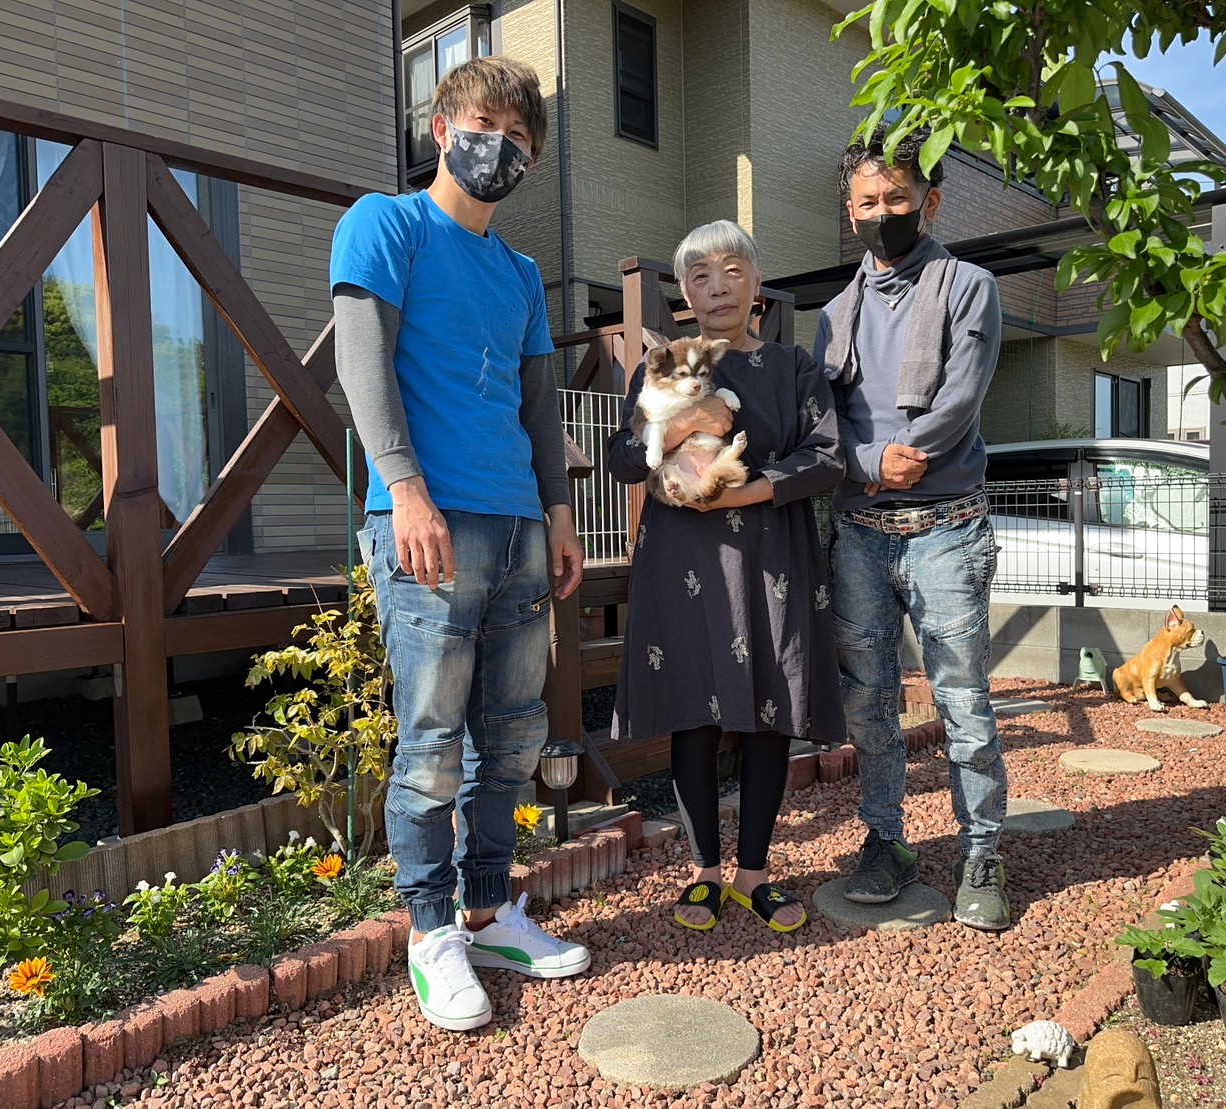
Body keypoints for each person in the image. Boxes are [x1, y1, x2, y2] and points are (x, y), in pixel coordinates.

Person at [330, 56, 590, 1033]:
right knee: (433, 739)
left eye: (520, 138)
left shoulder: (520, 274)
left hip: (518, 525)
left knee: (513, 734)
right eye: (485, 126)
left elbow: (538, 405)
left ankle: (487, 911)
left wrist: (558, 514)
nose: (500, 147)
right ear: (442, 128)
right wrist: (404, 488)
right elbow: (361, 360)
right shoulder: (385, 224)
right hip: (428, 523)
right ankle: (430, 929)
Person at [608, 220, 845, 935]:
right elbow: (624, 458)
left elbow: (826, 456)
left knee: (770, 710)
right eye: (700, 276)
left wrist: (745, 493)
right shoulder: (659, 366)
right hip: (681, 558)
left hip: (771, 557)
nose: (717, 287)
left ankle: (754, 873)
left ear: (757, 285)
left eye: (732, 271)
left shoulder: (794, 368)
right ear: (685, 295)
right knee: (694, 711)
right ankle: (705, 871)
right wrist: (685, 426)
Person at [814, 124, 1011, 931]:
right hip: (858, 531)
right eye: (867, 201)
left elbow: (960, 396)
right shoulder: (834, 313)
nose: (881, 213)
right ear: (848, 208)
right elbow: (824, 423)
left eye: (896, 198)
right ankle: (884, 838)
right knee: (867, 702)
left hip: (946, 526)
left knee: (961, 696)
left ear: (929, 200)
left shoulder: (968, 286)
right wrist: (869, 464)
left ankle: (982, 849)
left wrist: (901, 456)